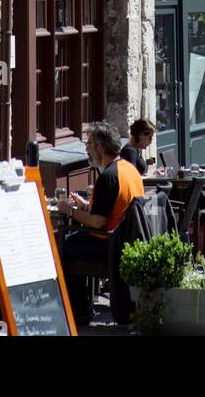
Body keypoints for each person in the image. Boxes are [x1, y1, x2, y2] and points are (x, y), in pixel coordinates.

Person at [59, 121, 143, 324]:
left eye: (88, 144)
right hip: (126, 238)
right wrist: (87, 205)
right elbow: (115, 206)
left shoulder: (108, 176)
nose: (86, 149)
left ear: (100, 147)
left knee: (63, 247)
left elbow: (97, 223)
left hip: (110, 244)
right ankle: (83, 305)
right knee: (73, 240)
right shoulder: (128, 169)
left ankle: (79, 311)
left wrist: (69, 210)